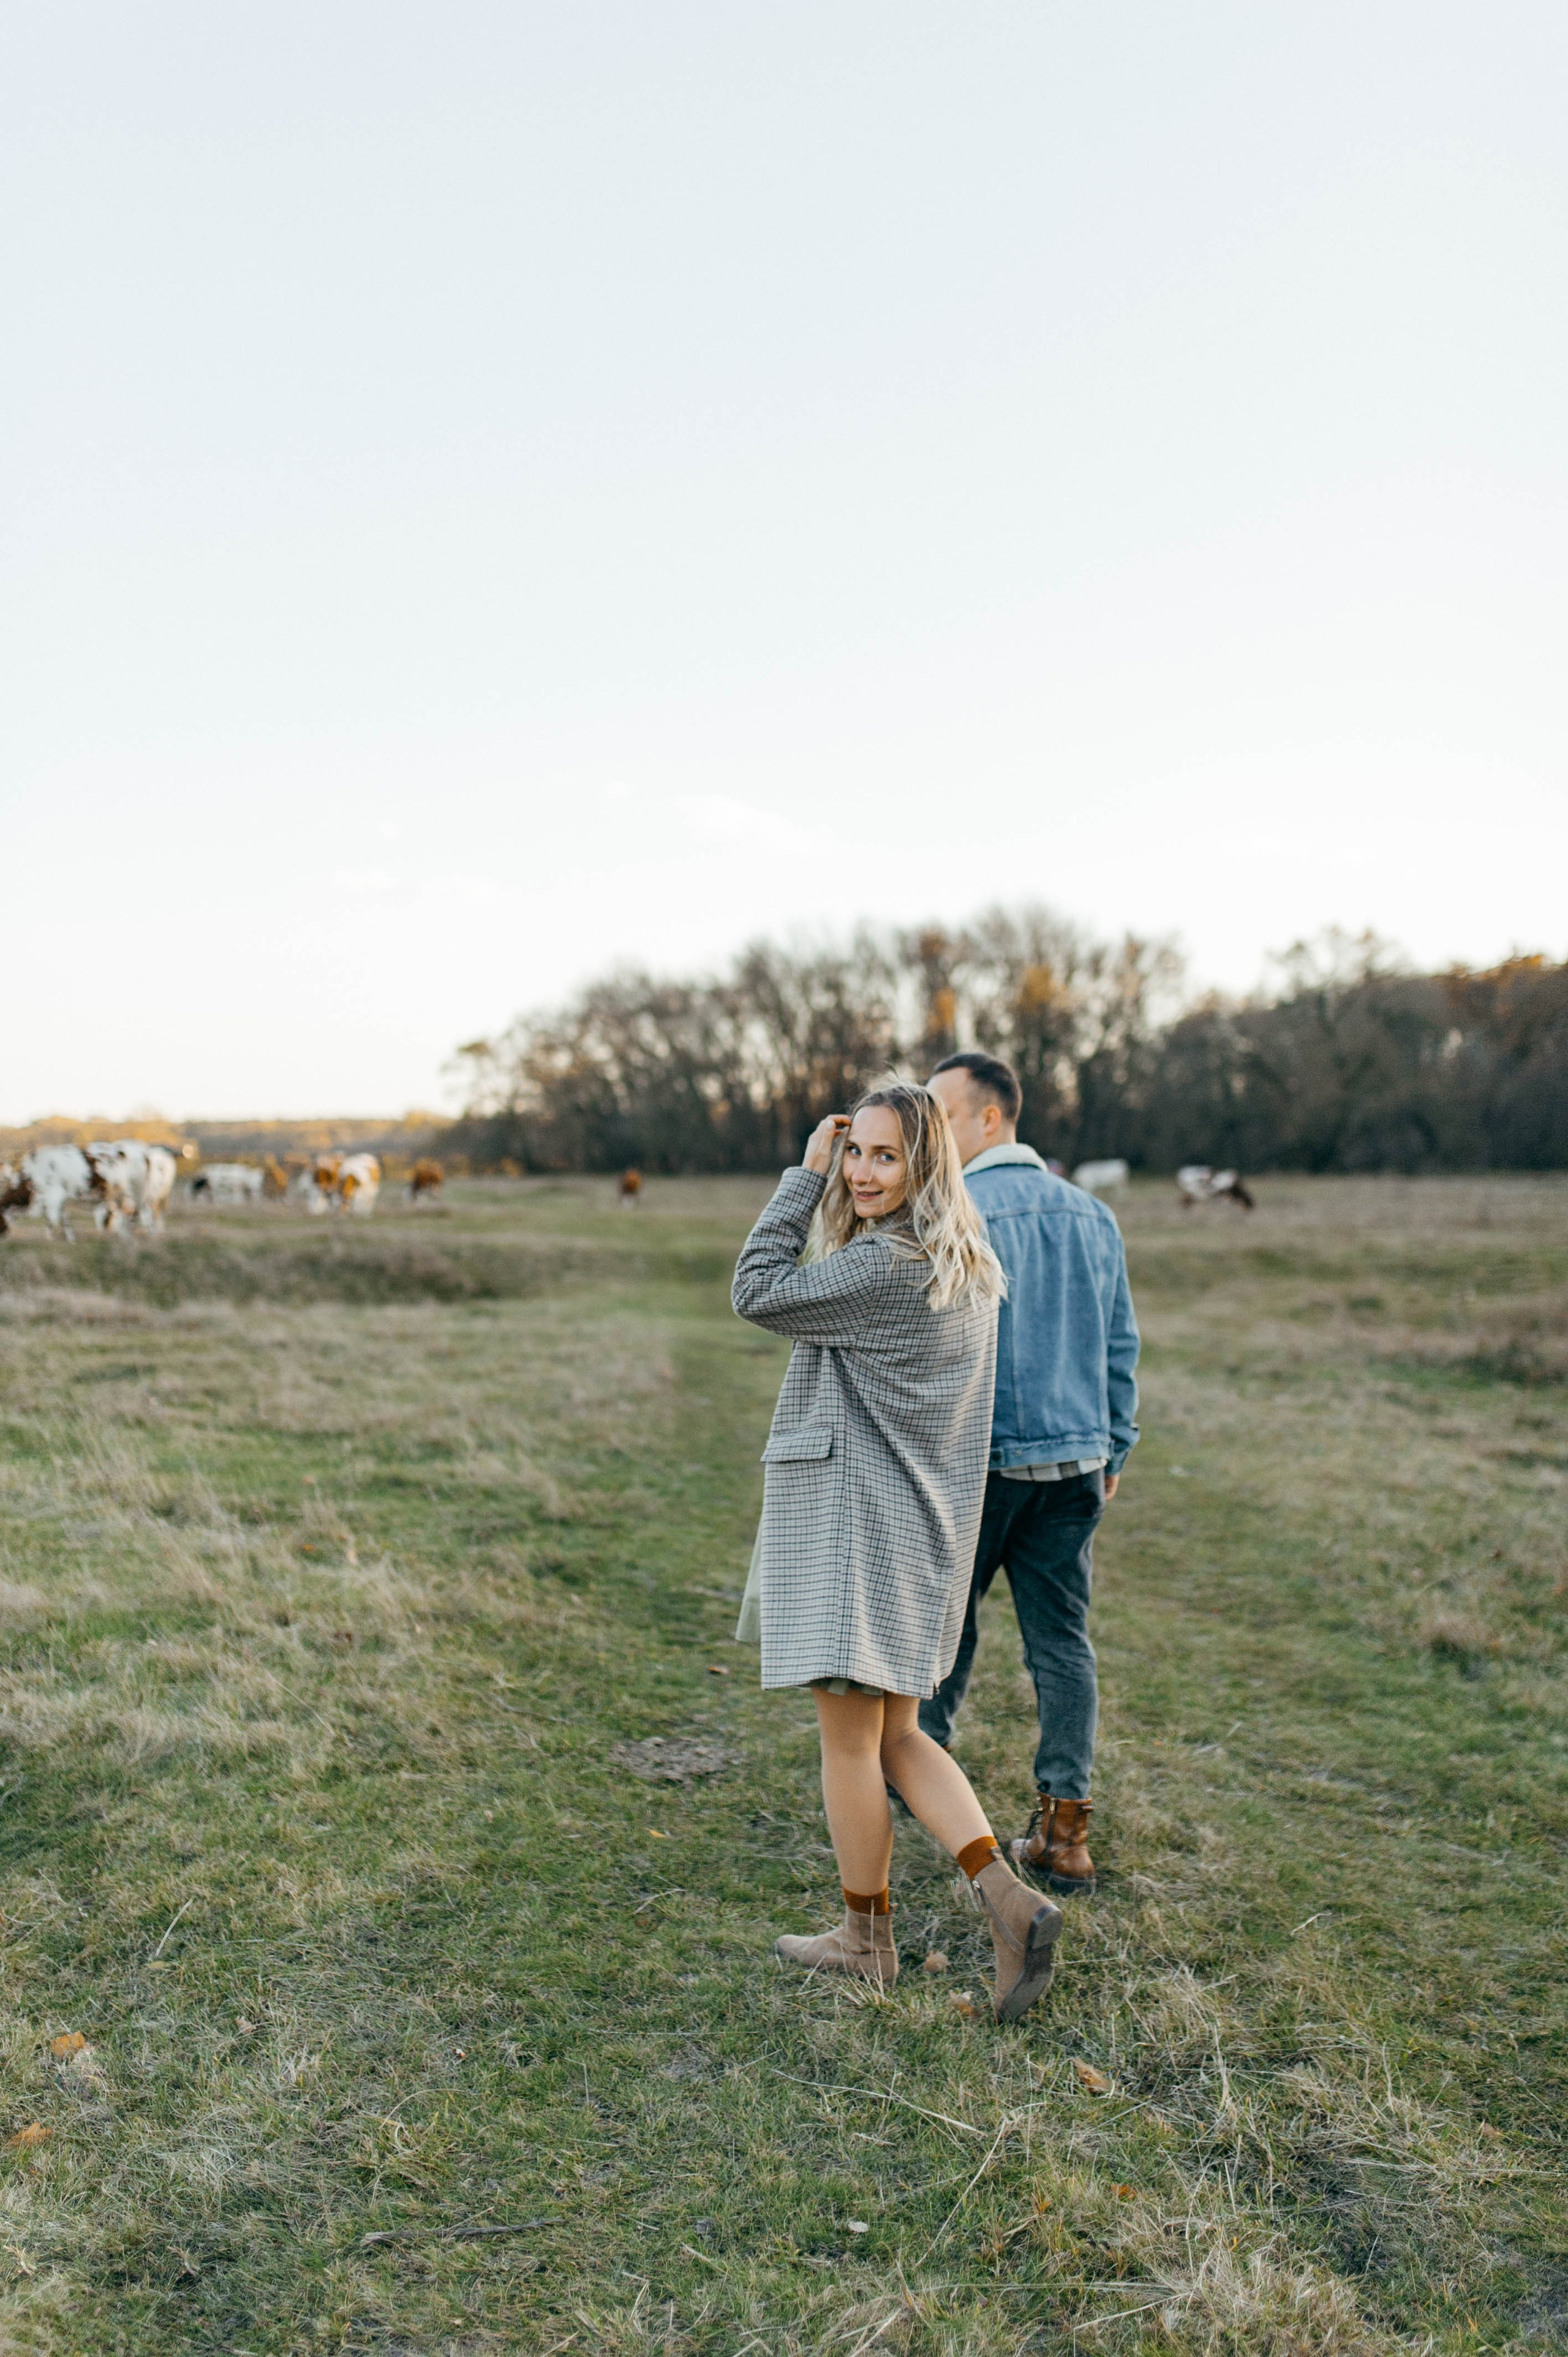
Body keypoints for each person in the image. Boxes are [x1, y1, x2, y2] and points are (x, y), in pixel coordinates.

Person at [731, 1083, 1066, 2021]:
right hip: (924, 1532)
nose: (863, 1172)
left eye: (886, 1155)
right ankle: (1009, 1900)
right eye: (853, 1153)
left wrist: (802, 1179)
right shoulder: (966, 1262)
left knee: (850, 1746)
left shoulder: (883, 1266)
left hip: (856, 1531)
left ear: (927, 1164)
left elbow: (755, 1289)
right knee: (901, 1736)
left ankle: (865, 1938)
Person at [922, 1051, 1140, 1896]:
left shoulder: (953, 1212)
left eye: (940, 1114)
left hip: (976, 1464)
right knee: (1061, 1642)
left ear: (990, 1119)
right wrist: (1115, 1447)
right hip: (1078, 1462)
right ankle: (1064, 1832)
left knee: (944, 1629)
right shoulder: (1094, 1216)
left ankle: (915, 1781)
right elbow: (1120, 1343)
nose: (929, 1131)